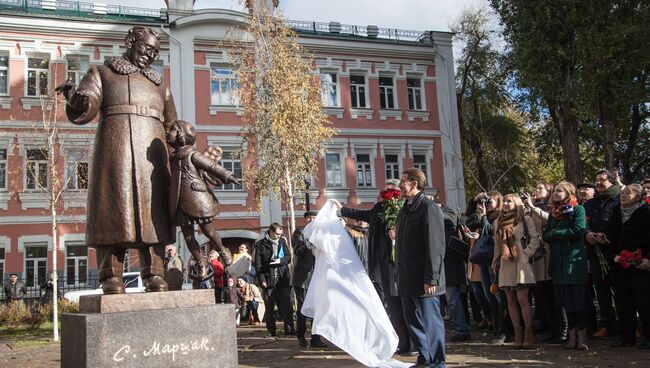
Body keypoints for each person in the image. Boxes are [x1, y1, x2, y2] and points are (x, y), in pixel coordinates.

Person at [56, 26, 178, 294]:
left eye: (156, 53)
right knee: (112, 210)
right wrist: (74, 97)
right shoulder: (103, 73)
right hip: (116, 150)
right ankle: (111, 275)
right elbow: (86, 109)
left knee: (153, 213)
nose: (151, 56)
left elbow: (172, 127)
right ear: (130, 41)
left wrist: (180, 139)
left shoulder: (160, 86)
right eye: (147, 49)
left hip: (151, 160)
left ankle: (155, 273)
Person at [167, 120, 241, 279]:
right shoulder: (172, 157)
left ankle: (223, 251)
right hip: (180, 200)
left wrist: (227, 175)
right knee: (187, 237)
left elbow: (211, 167)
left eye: (172, 130)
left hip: (198, 198)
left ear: (181, 136)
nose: (168, 132)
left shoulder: (193, 154)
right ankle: (201, 262)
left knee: (208, 230)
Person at [395, 168, 446, 368]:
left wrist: (431, 278)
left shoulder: (428, 208)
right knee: (412, 320)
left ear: (414, 184)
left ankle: (437, 362)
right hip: (406, 278)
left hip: (425, 280)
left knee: (431, 323)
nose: (399, 186)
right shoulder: (405, 209)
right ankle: (425, 357)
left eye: (403, 182)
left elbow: (435, 246)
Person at [597, 184, 650, 349]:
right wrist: (613, 254)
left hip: (642, 265)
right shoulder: (616, 213)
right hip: (620, 264)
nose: (624, 195)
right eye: (622, 192)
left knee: (645, 302)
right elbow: (611, 236)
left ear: (639, 196)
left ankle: (648, 336)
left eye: (628, 192)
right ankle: (626, 337)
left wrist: (649, 259)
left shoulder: (647, 213)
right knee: (622, 301)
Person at [339, 179, 401, 303]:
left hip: (396, 260)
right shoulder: (379, 207)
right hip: (378, 258)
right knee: (381, 291)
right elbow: (364, 215)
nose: (385, 194)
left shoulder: (403, 207)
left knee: (396, 295)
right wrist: (343, 210)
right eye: (385, 191)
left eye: (389, 191)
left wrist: (397, 234)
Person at [543, 181, 589, 350]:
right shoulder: (552, 214)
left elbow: (578, 230)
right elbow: (546, 235)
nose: (556, 193)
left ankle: (582, 337)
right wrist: (554, 234)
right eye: (554, 191)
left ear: (569, 192)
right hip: (558, 265)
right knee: (564, 302)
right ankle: (572, 336)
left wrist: (555, 233)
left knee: (578, 301)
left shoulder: (578, 209)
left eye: (560, 191)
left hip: (573, 262)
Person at [492, 194, 541, 349]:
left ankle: (528, 332)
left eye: (509, 201)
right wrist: (495, 262)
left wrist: (525, 254)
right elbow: (497, 245)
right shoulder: (497, 222)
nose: (505, 203)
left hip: (521, 263)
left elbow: (535, 239)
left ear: (517, 203)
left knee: (522, 299)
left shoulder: (525, 219)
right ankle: (517, 333)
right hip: (505, 264)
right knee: (510, 300)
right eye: (504, 201)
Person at [523, 186, 567, 344]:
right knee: (542, 298)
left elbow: (550, 220)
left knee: (554, 298)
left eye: (540, 188)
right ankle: (552, 328)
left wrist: (533, 207)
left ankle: (562, 330)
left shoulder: (551, 209)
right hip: (535, 258)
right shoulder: (530, 208)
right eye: (535, 188)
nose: (535, 191)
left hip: (548, 256)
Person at [467, 191, 510, 344]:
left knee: (499, 297)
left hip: (498, 260)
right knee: (489, 296)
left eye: (489, 202)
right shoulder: (485, 217)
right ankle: (497, 328)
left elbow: (491, 233)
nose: (486, 205)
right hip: (486, 261)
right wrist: (475, 200)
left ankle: (504, 330)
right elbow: (469, 219)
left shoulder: (500, 217)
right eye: (485, 203)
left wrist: (485, 217)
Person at [584, 169, 620, 338]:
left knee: (620, 290)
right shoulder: (590, 204)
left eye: (602, 180)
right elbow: (584, 224)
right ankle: (607, 324)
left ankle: (629, 323)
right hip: (595, 251)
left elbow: (622, 222)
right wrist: (588, 234)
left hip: (615, 252)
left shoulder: (619, 199)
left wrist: (608, 236)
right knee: (602, 290)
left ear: (611, 182)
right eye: (596, 179)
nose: (598, 183)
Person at [291, 211, 328, 348]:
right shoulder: (299, 232)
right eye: (309, 218)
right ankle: (301, 335)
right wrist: (309, 244)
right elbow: (297, 250)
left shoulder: (321, 233)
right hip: (301, 278)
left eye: (314, 218)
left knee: (317, 308)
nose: (312, 220)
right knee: (302, 308)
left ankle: (316, 338)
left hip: (316, 276)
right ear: (306, 219)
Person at [254, 223, 294, 337]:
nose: (278, 236)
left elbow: (288, 257)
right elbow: (258, 264)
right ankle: (271, 331)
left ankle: (290, 330)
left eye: (280, 234)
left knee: (287, 305)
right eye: (277, 234)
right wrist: (261, 279)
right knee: (269, 307)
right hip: (268, 278)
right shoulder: (260, 244)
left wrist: (280, 261)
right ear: (270, 232)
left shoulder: (282, 242)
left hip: (283, 278)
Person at [440, 202, 471, 343]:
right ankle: (462, 328)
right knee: (455, 300)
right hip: (450, 267)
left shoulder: (449, 212)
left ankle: (462, 330)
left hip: (452, 267)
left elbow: (447, 218)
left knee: (453, 299)